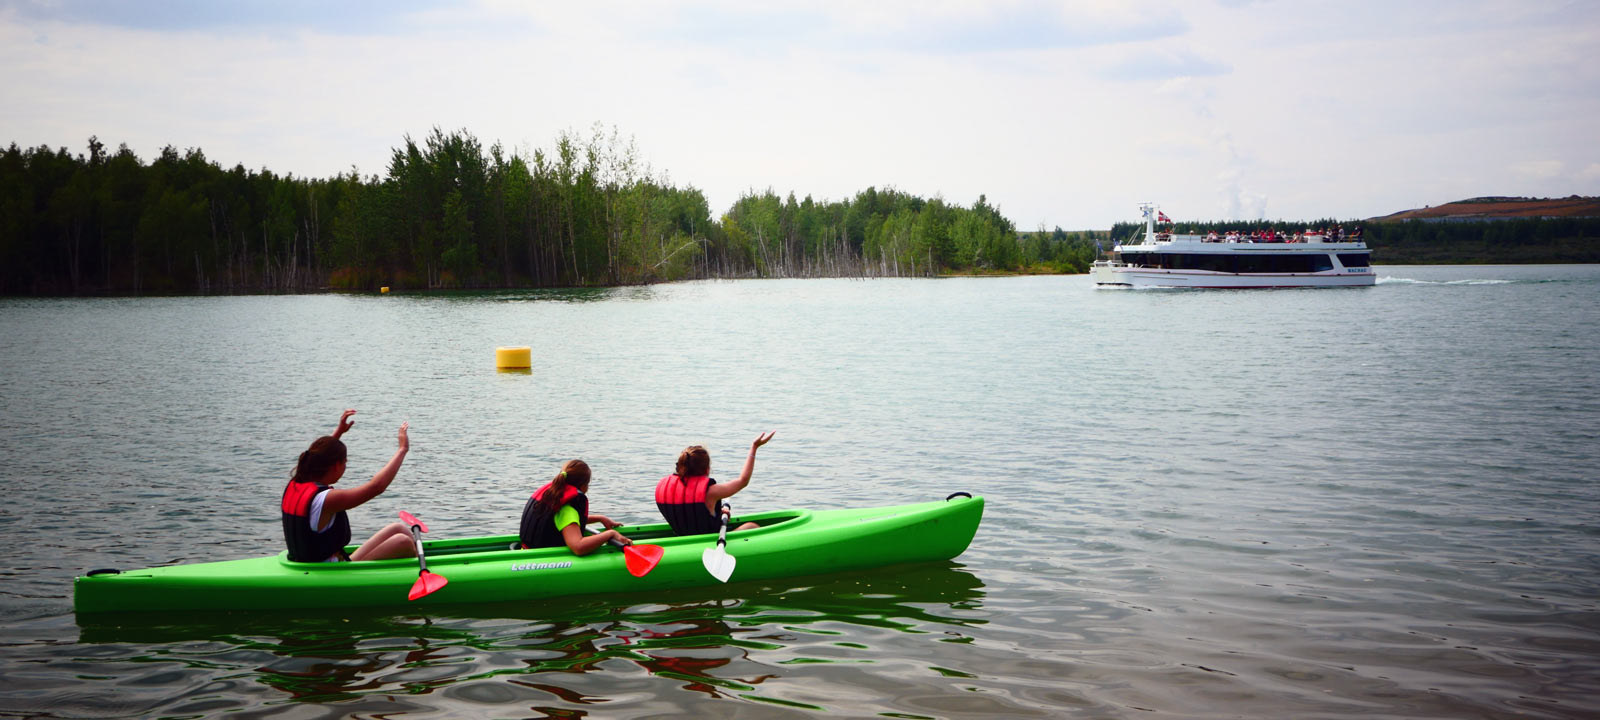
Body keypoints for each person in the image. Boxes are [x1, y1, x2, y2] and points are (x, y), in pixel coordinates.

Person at [281, 410, 415, 562]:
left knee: (398, 528)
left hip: (326, 563)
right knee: (402, 543)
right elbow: (376, 487)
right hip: (329, 574)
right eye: (345, 463)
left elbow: (316, 456)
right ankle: (422, 577)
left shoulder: (296, 483)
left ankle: (425, 568)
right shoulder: (327, 499)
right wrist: (402, 449)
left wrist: (339, 432)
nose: (346, 467)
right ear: (337, 466)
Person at [656, 432, 776, 535]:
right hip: (712, 543)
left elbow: (690, 515)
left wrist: (717, 514)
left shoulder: (663, 487)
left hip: (682, 539)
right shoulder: (711, 492)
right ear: (707, 469)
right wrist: (754, 447)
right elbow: (743, 481)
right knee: (752, 526)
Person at [519, 459, 631, 555]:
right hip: (544, 561)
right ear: (584, 486)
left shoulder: (553, 497)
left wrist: (599, 518)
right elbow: (578, 547)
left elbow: (561, 522)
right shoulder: (567, 510)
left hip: (528, 552)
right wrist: (610, 534)